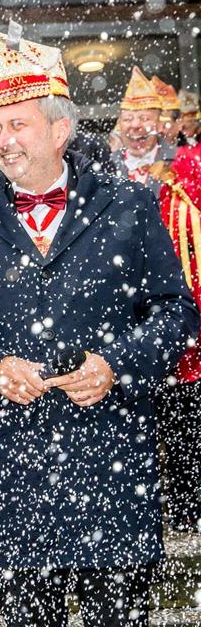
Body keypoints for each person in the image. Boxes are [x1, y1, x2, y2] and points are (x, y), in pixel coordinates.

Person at [0, 28, 199, 627]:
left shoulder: (127, 207)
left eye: (18, 125)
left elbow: (178, 313)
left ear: (60, 130)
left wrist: (115, 365)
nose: (2, 140)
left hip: (113, 470)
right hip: (14, 474)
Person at [154, 144, 201, 534]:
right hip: (184, 348)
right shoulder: (180, 187)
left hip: (185, 343)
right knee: (182, 428)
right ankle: (186, 506)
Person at [110, 66, 177, 196]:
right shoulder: (106, 164)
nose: (135, 125)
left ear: (158, 124)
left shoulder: (179, 160)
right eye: (128, 119)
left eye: (144, 118)